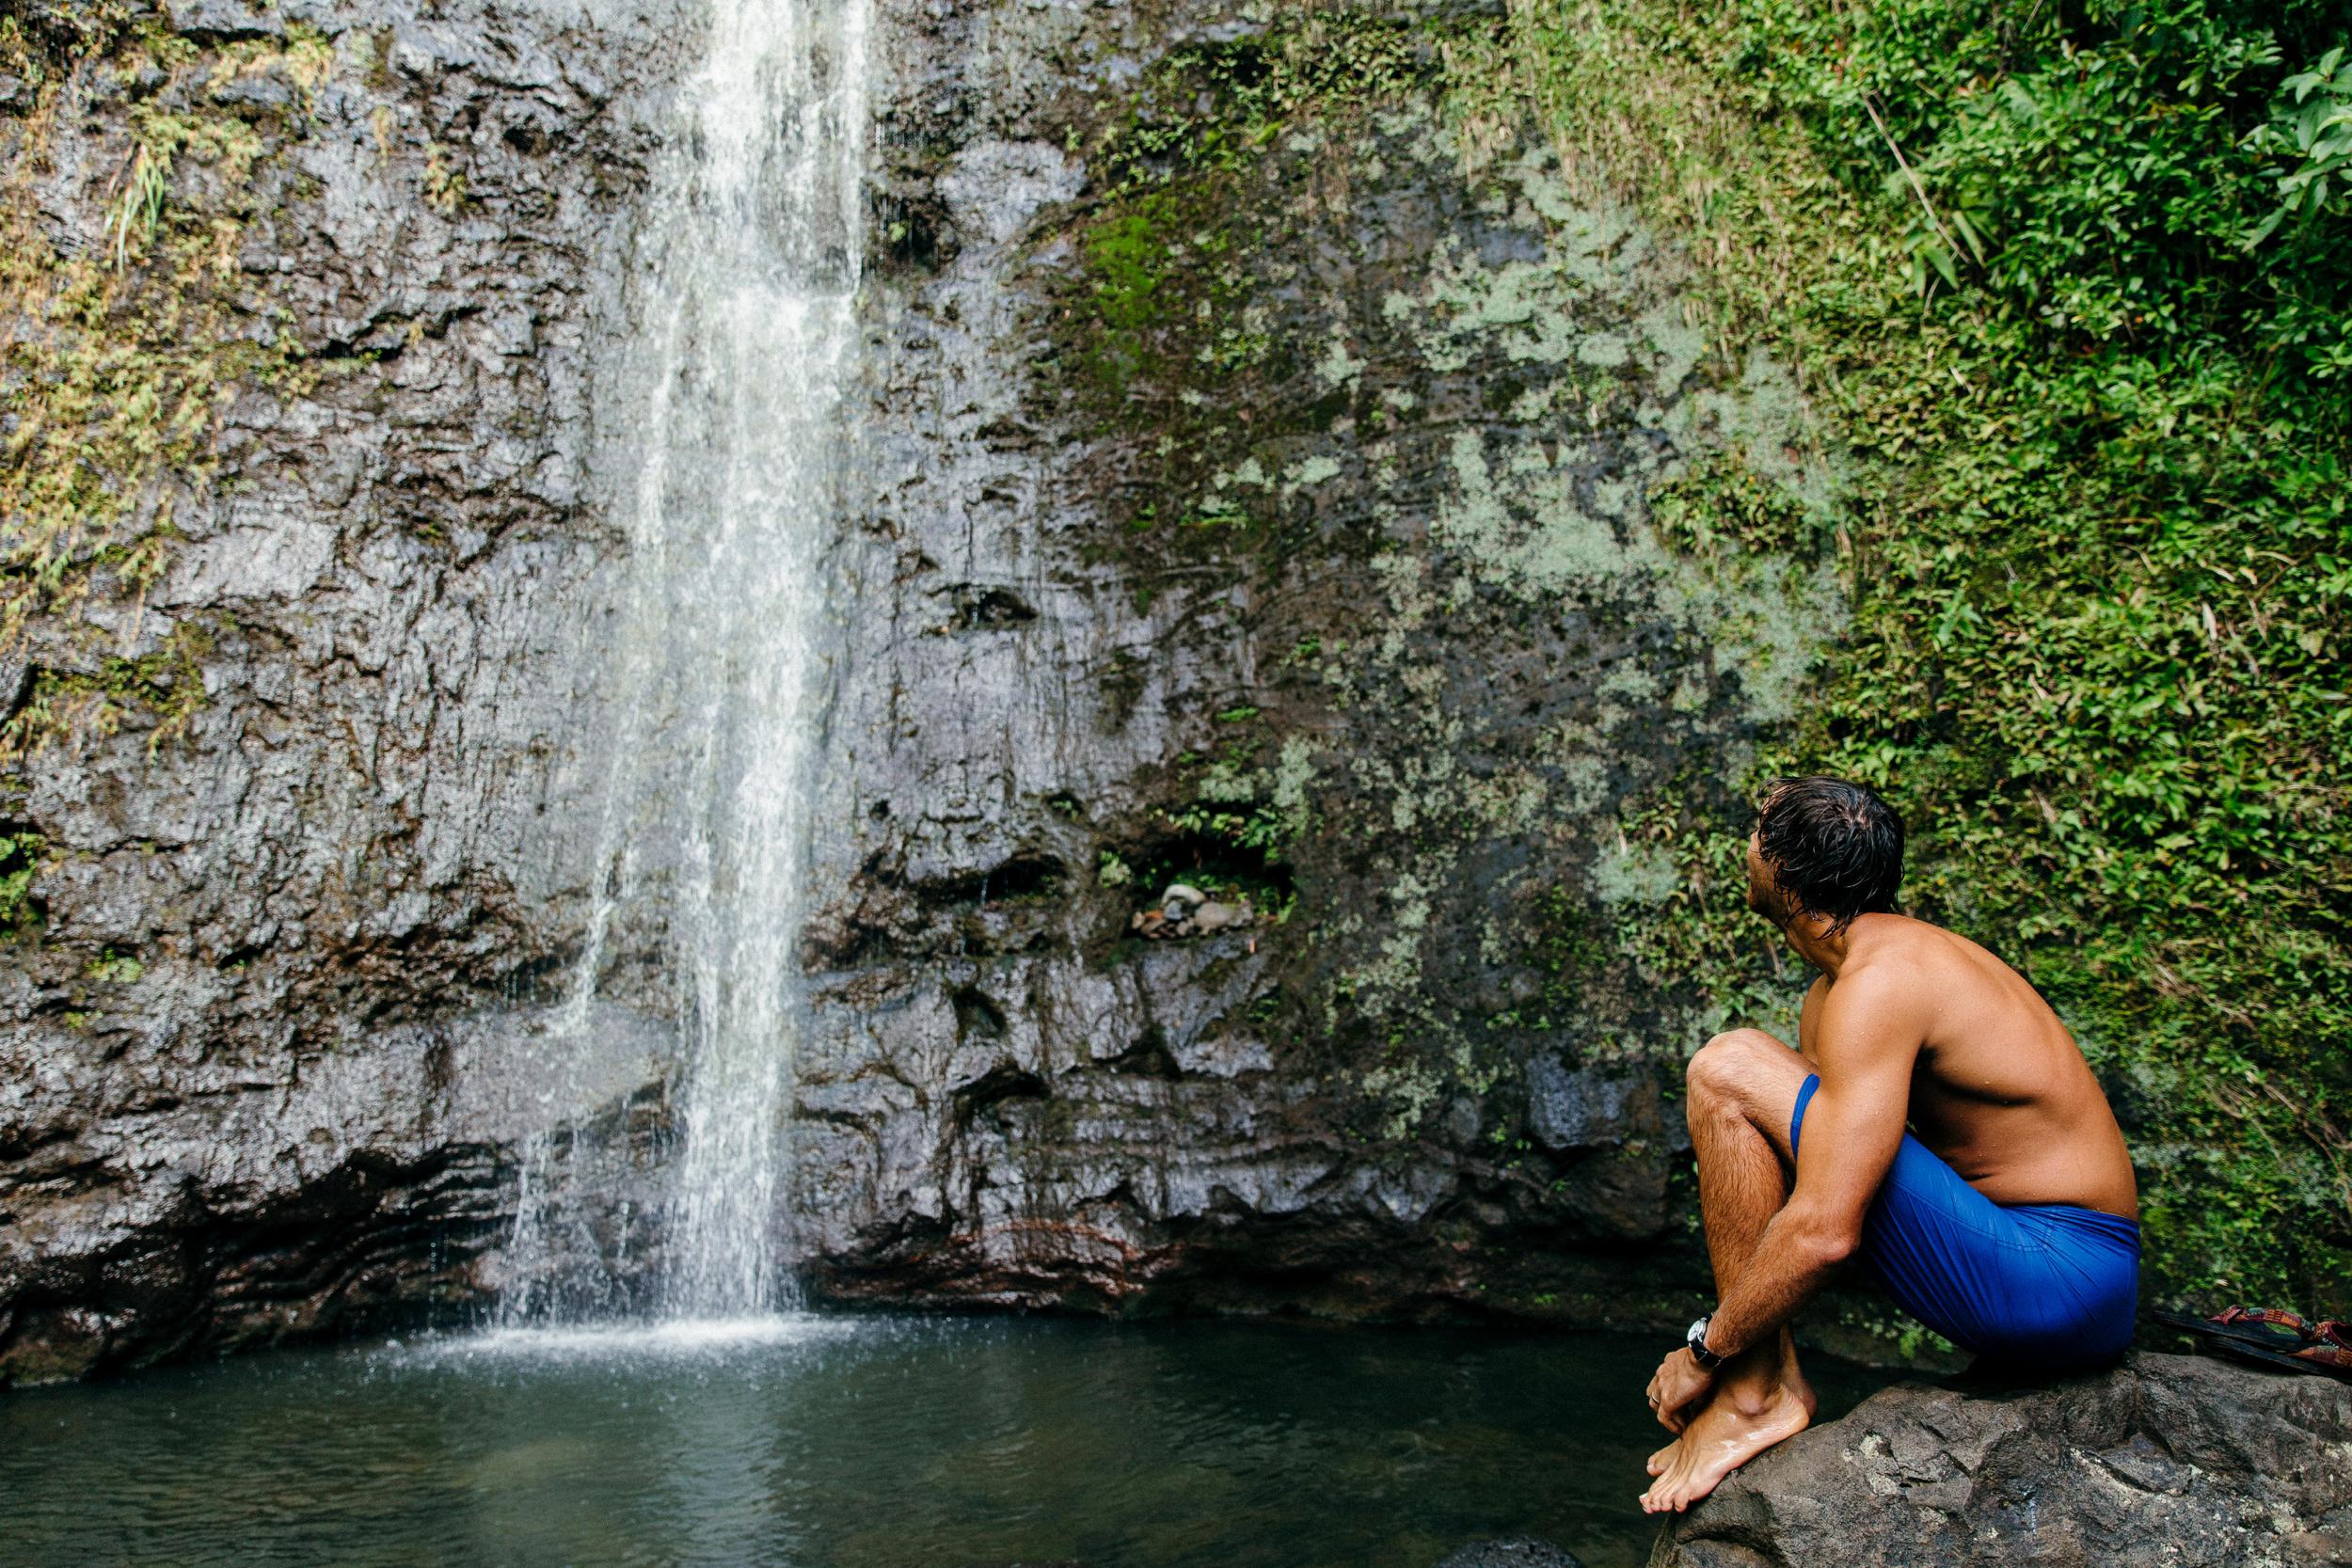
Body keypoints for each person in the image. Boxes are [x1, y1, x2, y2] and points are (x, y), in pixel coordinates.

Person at [1637, 776, 2139, 1514]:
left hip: (2061, 1272)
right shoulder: (1841, 988)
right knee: (1774, 1101)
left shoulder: (1885, 981)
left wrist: (1703, 1349)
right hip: (2035, 1270)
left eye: (1756, 829)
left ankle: (1749, 1395)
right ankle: (1763, 1386)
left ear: (1782, 868)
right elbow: (1808, 1181)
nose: (1744, 843)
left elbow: (1826, 1230)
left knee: (1728, 1069)